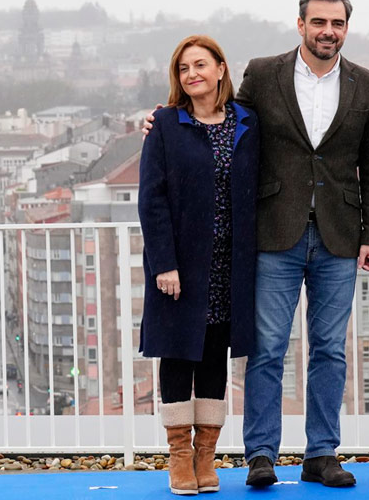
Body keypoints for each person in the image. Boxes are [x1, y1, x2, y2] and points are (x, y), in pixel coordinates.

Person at [143, 0, 369, 488]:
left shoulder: (368, 85)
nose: (327, 31)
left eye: (337, 23)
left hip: (340, 237)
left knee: (328, 350)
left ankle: (322, 454)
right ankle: (261, 455)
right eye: (318, 22)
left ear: (347, 27)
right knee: (267, 347)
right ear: (300, 24)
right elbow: (217, 114)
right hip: (273, 231)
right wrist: (160, 120)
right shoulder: (264, 73)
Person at [138, 35, 259, 495]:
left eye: (201, 65)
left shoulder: (247, 122)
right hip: (180, 267)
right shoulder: (167, 125)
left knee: (213, 357)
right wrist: (163, 264)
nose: (192, 74)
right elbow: (151, 199)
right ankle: (179, 458)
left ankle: (207, 456)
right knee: (176, 356)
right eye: (184, 68)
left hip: (230, 264)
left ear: (221, 69)